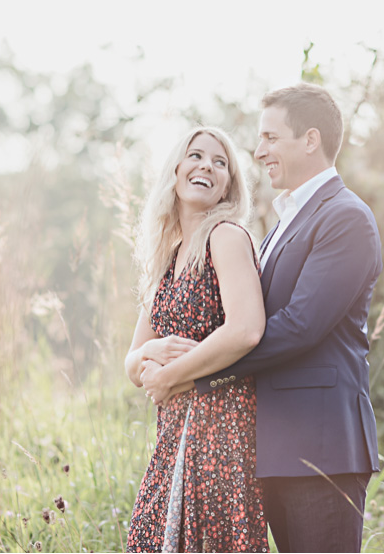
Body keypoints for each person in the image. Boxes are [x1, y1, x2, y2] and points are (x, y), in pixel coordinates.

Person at [143, 83, 383, 552]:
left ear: (309, 140)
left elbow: (299, 326)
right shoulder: (281, 226)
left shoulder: (346, 217)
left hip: (323, 447)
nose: (259, 151)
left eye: (271, 137)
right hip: (272, 448)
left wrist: (194, 375)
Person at [124, 126, 269, 552]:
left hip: (220, 430)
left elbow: (246, 329)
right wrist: (150, 354)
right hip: (172, 431)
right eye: (197, 156)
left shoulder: (224, 237)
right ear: (176, 170)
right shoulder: (168, 259)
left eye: (220, 162)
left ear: (228, 185)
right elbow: (133, 363)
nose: (207, 165)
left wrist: (172, 377)